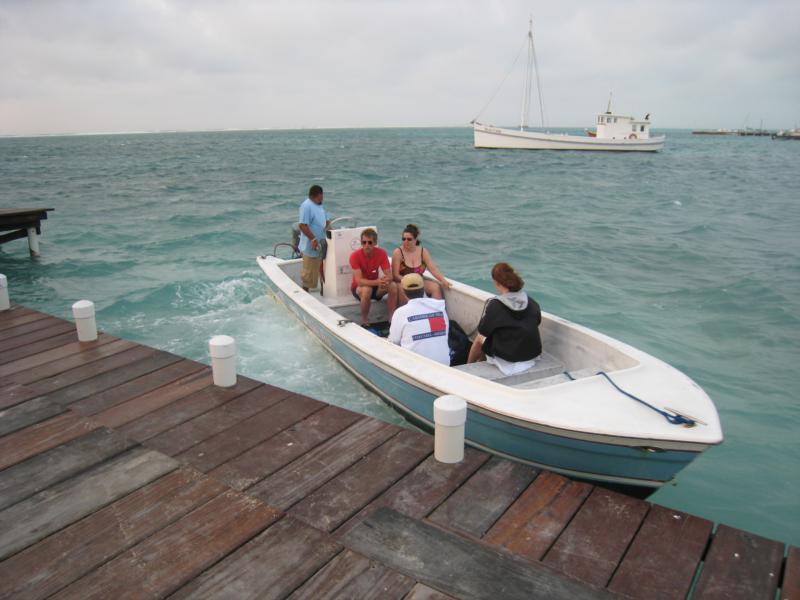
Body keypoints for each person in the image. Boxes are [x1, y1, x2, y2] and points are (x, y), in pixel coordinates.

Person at [467, 262, 542, 376]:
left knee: (480, 339)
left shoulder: (496, 304)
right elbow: (537, 321)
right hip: (530, 358)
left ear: (497, 283)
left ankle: (467, 367)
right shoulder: (531, 302)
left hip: (508, 362)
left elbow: (483, 331)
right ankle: (478, 363)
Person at [389, 273, 450, 365]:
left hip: (415, 366)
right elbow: (445, 335)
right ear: (423, 290)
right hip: (444, 363)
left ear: (404, 291)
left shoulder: (400, 312)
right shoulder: (439, 308)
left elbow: (394, 341)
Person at [391, 224, 451, 304]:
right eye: (403, 239)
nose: (405, 241)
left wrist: (443, 281)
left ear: (415, 240)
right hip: (402, 282)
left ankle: (437, 312)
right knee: (406, 292)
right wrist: (410, 281)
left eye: (409, 239)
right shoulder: (398, 252)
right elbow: (395, 275)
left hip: (419, 282)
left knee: (435, 287)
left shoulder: (423, 251)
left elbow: (432, 269)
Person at [350, 227, 398, 325]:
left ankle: (391, 319)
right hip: (359, 288)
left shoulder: (381, 253)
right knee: (367, 289)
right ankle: (365, 321)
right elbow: (359, 281)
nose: (367, 245)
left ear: (375, 243)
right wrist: (378, 282)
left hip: (375, 287)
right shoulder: (355, 256)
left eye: (370, 242)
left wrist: (386, 280)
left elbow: (389, 275)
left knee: (393, 286)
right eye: (364, 242)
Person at [297, 185, 330, 292]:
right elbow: (302, 225)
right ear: (318, 195)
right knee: (308, 274)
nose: (322, 198)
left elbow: (327, 220)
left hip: (322, 245)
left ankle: (323, 291)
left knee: (322, 270)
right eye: (321, 196)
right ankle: (304, 293)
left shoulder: (319, 205)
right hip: (310, 246)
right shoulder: (306, 206)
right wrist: (313, 239)